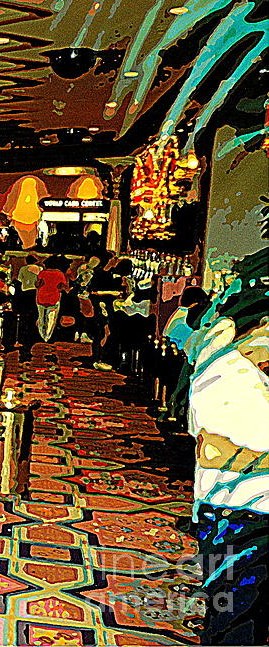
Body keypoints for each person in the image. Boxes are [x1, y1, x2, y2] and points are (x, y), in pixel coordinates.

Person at [185, 250, 268, 645]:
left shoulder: (245, 370)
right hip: (238, 514)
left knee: (243, 614)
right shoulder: (230, 374)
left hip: (241, 512)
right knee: (235, 619)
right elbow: (214, 451)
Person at [34, 255, 69, 343]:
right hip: (54, 298)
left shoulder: (42, 273)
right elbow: (64, 287)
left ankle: (41, 335)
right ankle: (47, 337)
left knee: (41, 317)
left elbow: (37, 285)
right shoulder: (60, 274)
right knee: (51, 319)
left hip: (41, 298)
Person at [15, 254, 42, 360]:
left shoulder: (23, 269)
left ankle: (23, 336)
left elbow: (20, 280)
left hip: (24, 293)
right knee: (34, 314)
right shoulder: (40, 269)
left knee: (24, 315)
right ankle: (32, 335)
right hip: (35, 293)